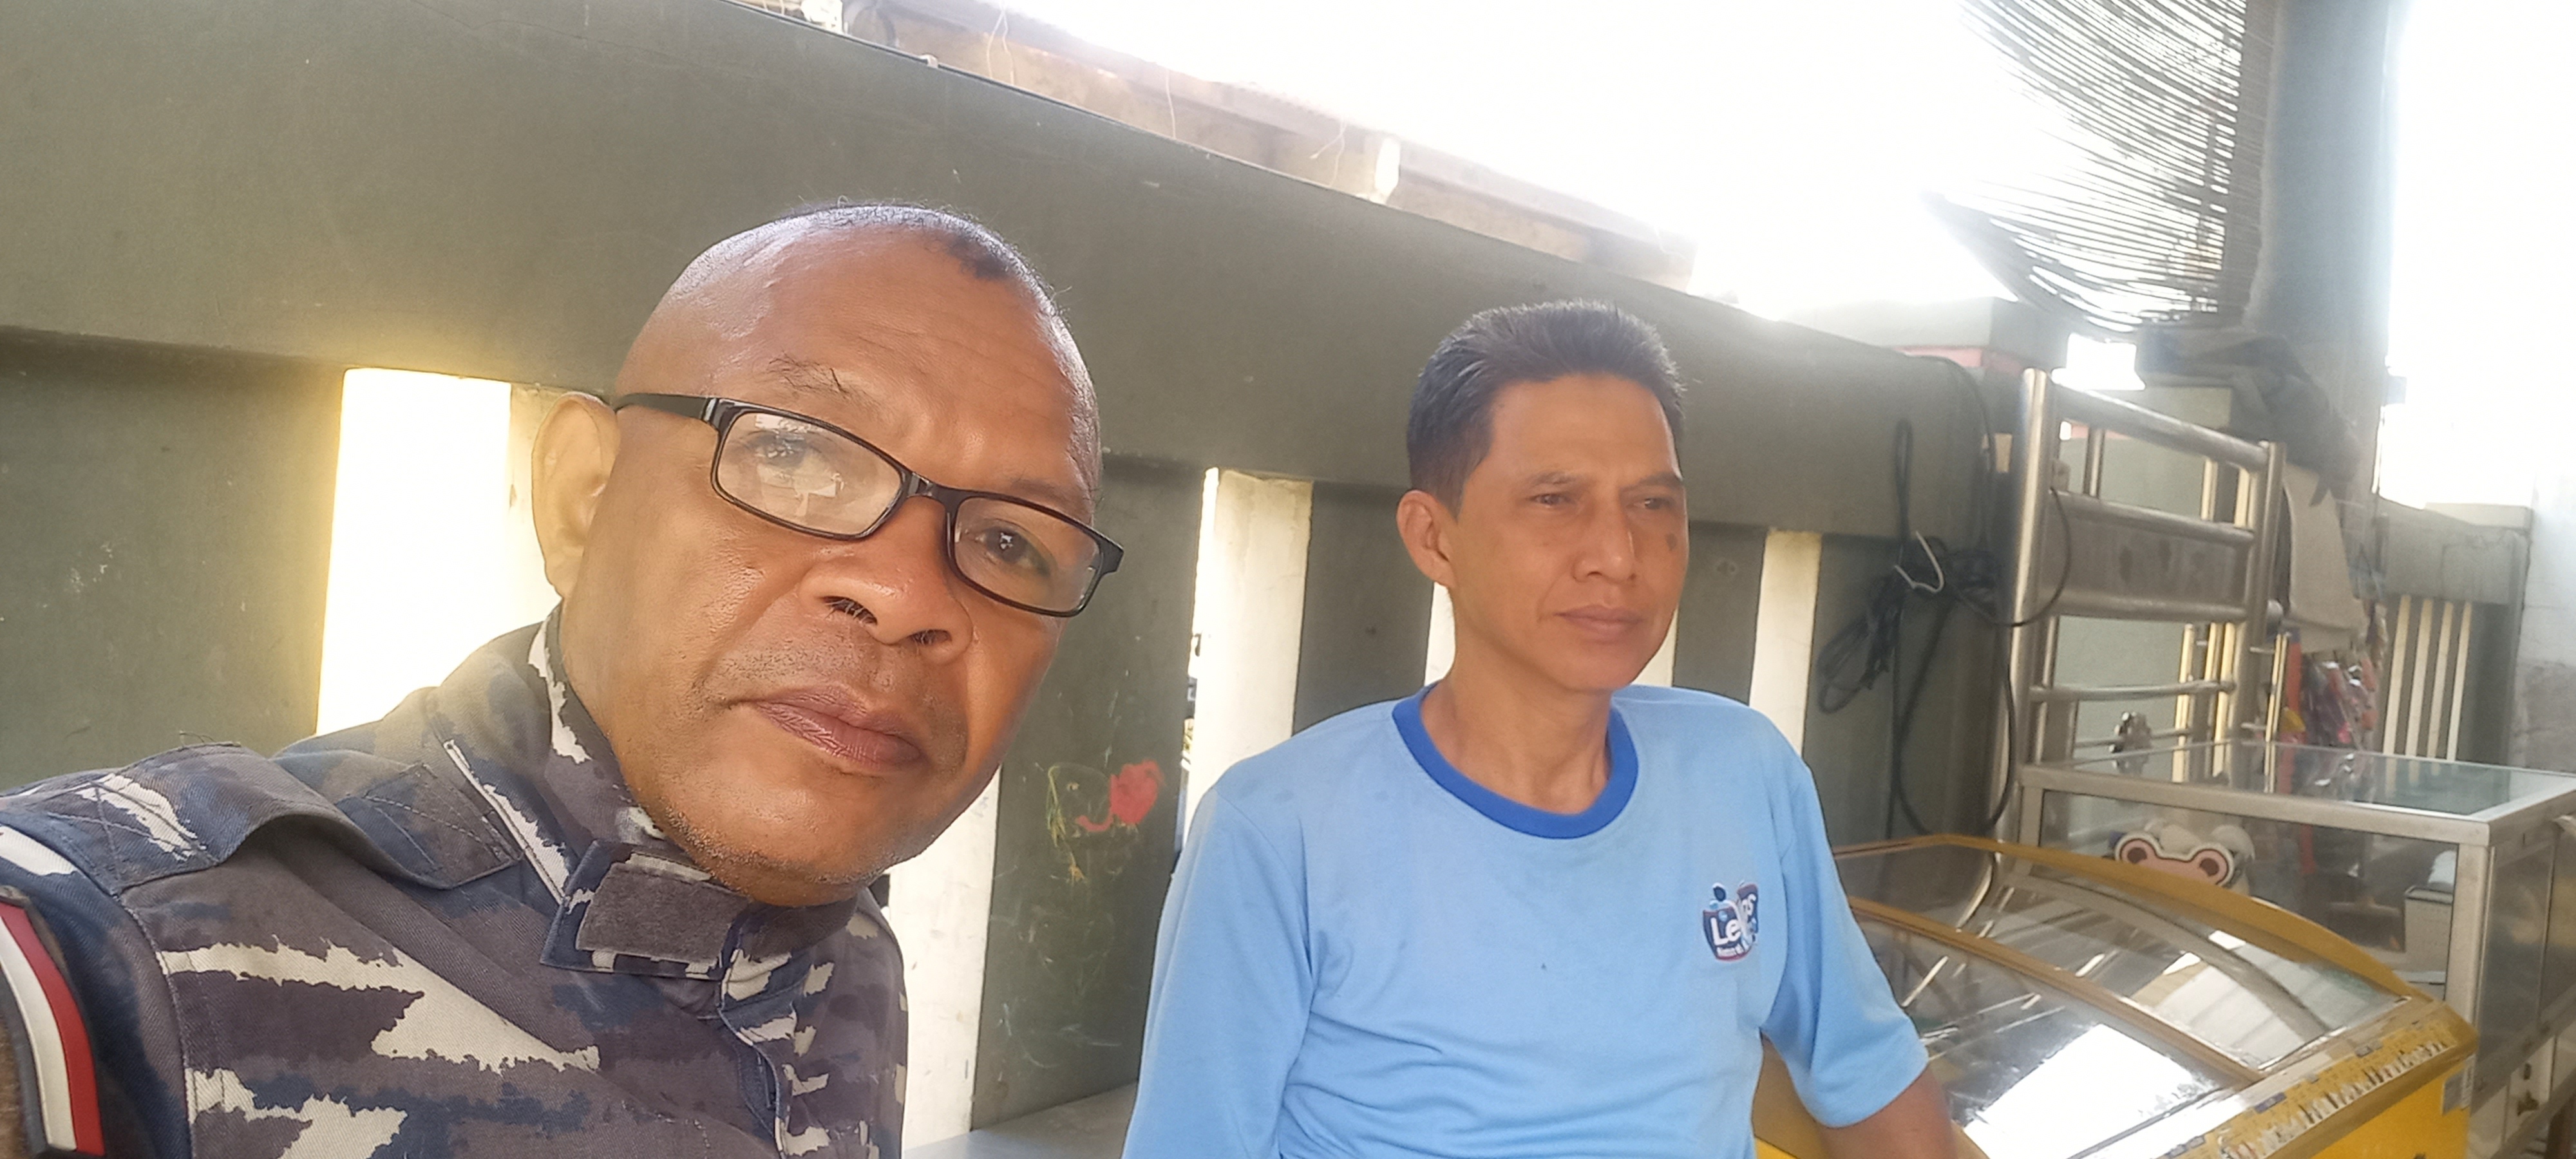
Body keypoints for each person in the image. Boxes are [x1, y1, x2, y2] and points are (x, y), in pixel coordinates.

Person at [0, 204, 1119, 1158]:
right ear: (582, 499)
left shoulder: (853, 958)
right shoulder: (124, 958)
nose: (910, 594)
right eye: (794, 453)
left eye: (1013, 542)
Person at [1123, 301, 1953, 1159]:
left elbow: (1867, 1073)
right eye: (1555, 500)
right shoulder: (1280, 832)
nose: (1618, 556)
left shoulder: (1742, 773)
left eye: (1652, 504)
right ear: (1434, 539)